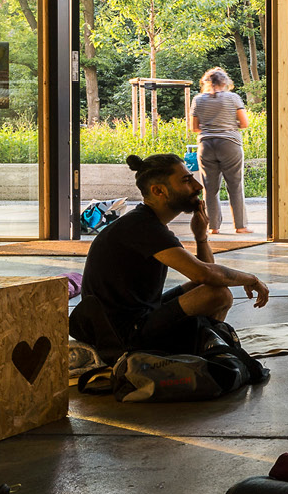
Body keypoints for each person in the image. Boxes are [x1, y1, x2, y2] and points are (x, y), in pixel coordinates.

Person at [69, 153, 271, 364]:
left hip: (140, 315)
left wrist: (201, 238)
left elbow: (206, 275)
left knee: (209, 288)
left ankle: (201, 343)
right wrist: (252, 279)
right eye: (186, 180)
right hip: (121, 335)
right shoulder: (142, 227)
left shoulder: (147, 222)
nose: (197, 186)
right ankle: (199, 348)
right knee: (218, 295)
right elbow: (206, 274)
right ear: (158, 190)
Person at [188, 67, 252, 235]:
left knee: (209, 187)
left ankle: (213, 227)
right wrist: (229, 125)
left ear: (206, 83)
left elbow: (194, 128)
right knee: (235, 185)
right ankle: (240, 226)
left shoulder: (198, 100)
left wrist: (211, 126)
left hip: (206, 146)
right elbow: (244, 124)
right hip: (229, 144)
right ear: (225, 82)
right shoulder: (233, 98)